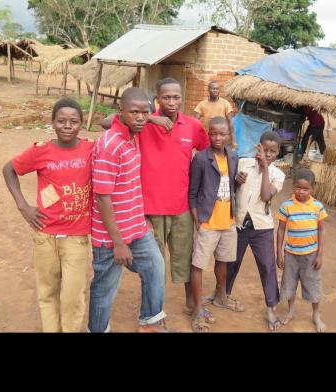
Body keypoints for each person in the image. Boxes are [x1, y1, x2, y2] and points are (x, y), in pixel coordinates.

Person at [109, 77, 207, 316]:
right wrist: (151, 118)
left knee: (185, 258)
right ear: (158, 99)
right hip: (150, 209)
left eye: (176, 97)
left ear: (182, 98)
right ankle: (154, 313)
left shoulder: (192, 126)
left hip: (182, 207)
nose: (172, 102)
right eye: (166, 97)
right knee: (154, 265)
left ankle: (191, 304)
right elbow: (107, 121)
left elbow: (207, 154)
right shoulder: (141, 124)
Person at [2, 97, 93, 332]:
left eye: (74, 121)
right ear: (53, 123)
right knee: (47, 293)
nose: (67, 126)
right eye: (61, 121)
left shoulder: (91, 149)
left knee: (73, 296)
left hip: (76, 237)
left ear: (81, 124)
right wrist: (23, 206)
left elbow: (116, 123)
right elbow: (9, 169)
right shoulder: (41, 151)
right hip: (45, 235)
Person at [88, 87, 168, 333]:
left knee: (155, 266)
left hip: (135, 227)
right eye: (134, 112)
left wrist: (141, 220)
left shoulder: (133, 136)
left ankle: (150, 323)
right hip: (111, 237)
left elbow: (129, 186)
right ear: (120, 112)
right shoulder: (109, 145)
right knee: (105, 288)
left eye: (145, 112)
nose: (141, 118)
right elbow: (103, 197)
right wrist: (118, 243)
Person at [217, 131, 286, 329]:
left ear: (278, 153)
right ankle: (223, 294)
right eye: (265, 149)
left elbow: (265, 196)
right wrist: (236, 180)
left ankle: (270, 308)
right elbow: (229, 186)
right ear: (258, 147)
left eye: (273, 151)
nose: (268, 154)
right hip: (239, 223)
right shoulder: (243, 163)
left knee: (267, 266)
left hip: (262, 227)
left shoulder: (278, 175)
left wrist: (265, 169)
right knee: (231, 261)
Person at [187, 115, 244, 332]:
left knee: (223, 261)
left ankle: (221, 296)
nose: (217, 138)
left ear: (229, 135)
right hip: (207, 222)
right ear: (208, 134)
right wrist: (198, 221)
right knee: (198, 265)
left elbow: (229, 188)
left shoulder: (233, 156)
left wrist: (238, 182)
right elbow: (192, 193)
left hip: (227, 221)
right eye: (213, 134)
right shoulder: (201, 159)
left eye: (222, 134)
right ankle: (198, 309)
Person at [275, 168, 327, 332]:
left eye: (305, 189)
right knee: (289, 284)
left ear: (312, 188)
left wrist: (319, 255)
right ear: (293, 186)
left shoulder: (317, 207)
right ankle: (290, 311)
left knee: (313, 285)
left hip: (311, 255)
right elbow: (281, 230)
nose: (301, 192)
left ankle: (316, 315)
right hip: (290, 254)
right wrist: (279, 253)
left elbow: (321, 230)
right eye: (298, 187)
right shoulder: (287, 206)